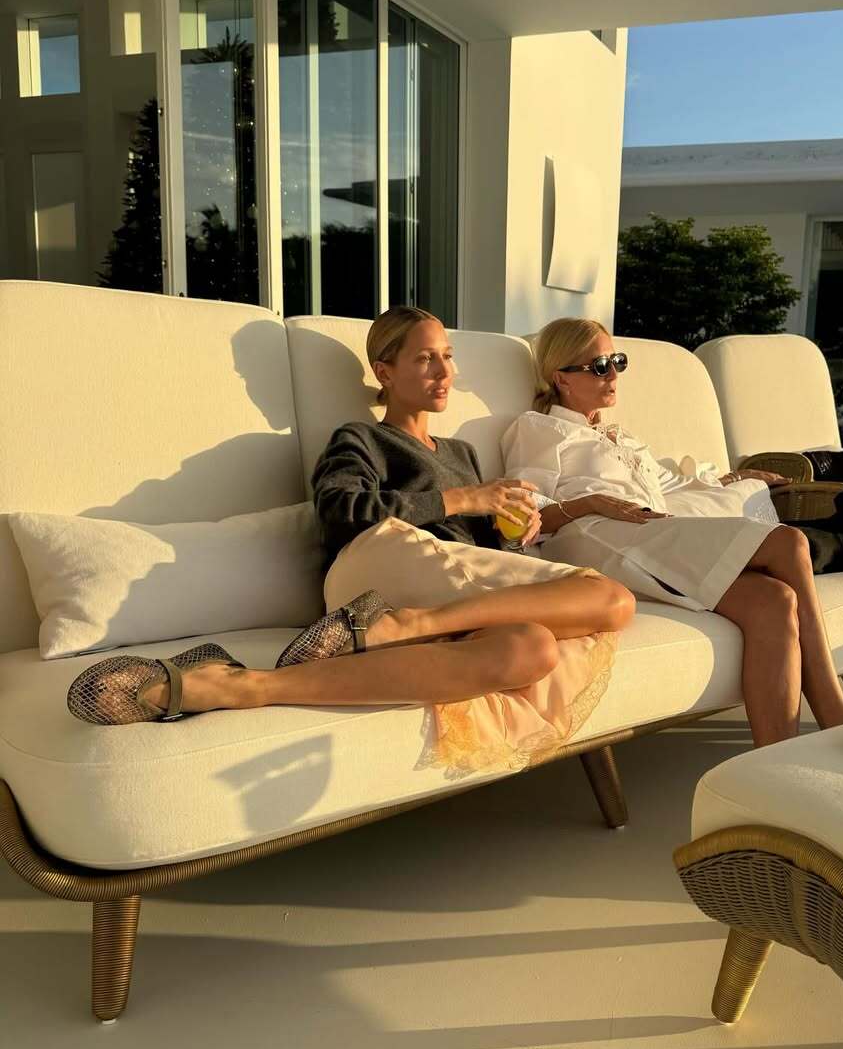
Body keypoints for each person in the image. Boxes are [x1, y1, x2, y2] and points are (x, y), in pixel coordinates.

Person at [68, 307, 633, 778]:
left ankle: (243, 684)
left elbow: (483, 552)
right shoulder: (361, 438)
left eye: (448, 356)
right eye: (425, 358)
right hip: (379, 567)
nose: (444, 371)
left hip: (440, 587)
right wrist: (463, 500)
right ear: (384, 371)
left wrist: (515, 530)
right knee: (612, 599)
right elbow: (341, 511)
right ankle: (401, 623)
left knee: (529, 649)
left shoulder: (461, 453)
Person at [501, 318, 843, 748]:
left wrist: (733, 478)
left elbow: (668, 485)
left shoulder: (619, 437)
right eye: (599, 367)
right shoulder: (538, 429)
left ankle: (777, 763)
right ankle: (835, 710)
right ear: (561, 378)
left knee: (774, 601)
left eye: (617, 362)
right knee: (789, 542)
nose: (613, 375)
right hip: (595, 537)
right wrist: (591, 503)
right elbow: (524, 513)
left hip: (649, 531)